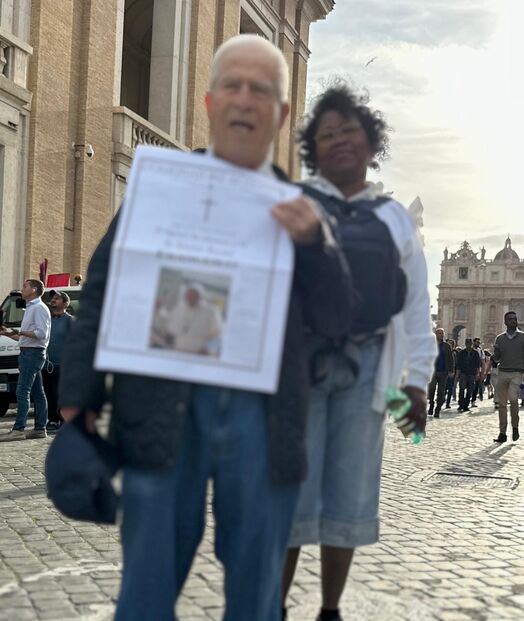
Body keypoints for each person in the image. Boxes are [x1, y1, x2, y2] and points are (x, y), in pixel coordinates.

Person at [57, 35, 354, 620]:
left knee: (257, 593)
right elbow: (103, 285)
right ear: (210, 102)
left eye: (261, 90)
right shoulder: (158, 186)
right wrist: (78, 398)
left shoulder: (304, 210)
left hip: (265, 418)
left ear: (282, 114)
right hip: (160, 405)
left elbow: (342, 316)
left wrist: (316, 246)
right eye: (233, 86)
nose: (245, 100)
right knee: (146, 585)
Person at [281, 85, 433, 621]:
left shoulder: (394, 219)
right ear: (312, 147)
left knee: (348, 485)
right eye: (327, 134)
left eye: (351, 132)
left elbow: (415, 307)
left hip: (370, 367)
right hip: (296, 366)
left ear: (371, 143)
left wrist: (415, 382)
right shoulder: (292, 203)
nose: (340, 141)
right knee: (290, 486)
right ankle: (271, 606)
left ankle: (329, 609)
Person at [0, 279, 51, 441]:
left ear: (34, 290)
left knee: (22, 391)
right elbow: (24, 338)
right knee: (38, 392)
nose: (22, 289)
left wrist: (20, 332)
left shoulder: (39, 308)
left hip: (32, 355)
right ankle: (39, 428)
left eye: (25, 286)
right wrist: (8, 333)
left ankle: (19, 429)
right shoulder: (30, 308)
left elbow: (41, 334)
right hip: (27, 353)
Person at [493, 311, 524, 443]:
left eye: (515, 319)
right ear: (505, 322)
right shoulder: (500, 338)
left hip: (517, 373)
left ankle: (515, 427)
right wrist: (496, 354)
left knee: (514, 399)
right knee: (502, 404)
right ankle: (502, 432)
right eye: (510, 319)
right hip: (503, 372)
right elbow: (496, 359)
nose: (513, 321)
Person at [151, 283, 223, 355]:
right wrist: (159, 309)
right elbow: (165, 324)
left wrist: (209, 348)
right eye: (188, 295)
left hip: (198, 354)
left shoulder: (211, 311)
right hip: (176, 351)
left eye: (194, 295)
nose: (190, 297)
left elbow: (218, 334)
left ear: (200, 297)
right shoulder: (179, 308)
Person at [42, 290, 75, 433]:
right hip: (46, 364)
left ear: (66, 304)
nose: (53, 300)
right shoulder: (47, 319)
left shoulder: (70, 320)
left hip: (63, 364)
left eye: (57, 298)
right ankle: (52, 419)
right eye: (53, 298)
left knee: (60, 393)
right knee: (48, 393)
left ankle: (63, 420)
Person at [427, 328, 454, 418]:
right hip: (432, 372)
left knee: (441, 392)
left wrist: (451, 370)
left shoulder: (447, 346)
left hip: (443, 372)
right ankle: (431, 404)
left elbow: (451, 359)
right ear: (435, 334)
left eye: (442, 333)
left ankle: (437, 409)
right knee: (431, 389)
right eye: (439, 333)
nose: (441, 335)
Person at [455, 337, 482, 412]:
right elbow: (458, 365)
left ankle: (466, 405)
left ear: (471, 344)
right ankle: (461, 404)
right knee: (462, 389)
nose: (468, 345)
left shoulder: (475, 353)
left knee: (470, 390)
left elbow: (478, 365)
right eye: (467, 343)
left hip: (472, 374)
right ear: (465, 344)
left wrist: (477, 374)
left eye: (469, 343)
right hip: (463, 373)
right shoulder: (461, 353)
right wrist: (457, 375)